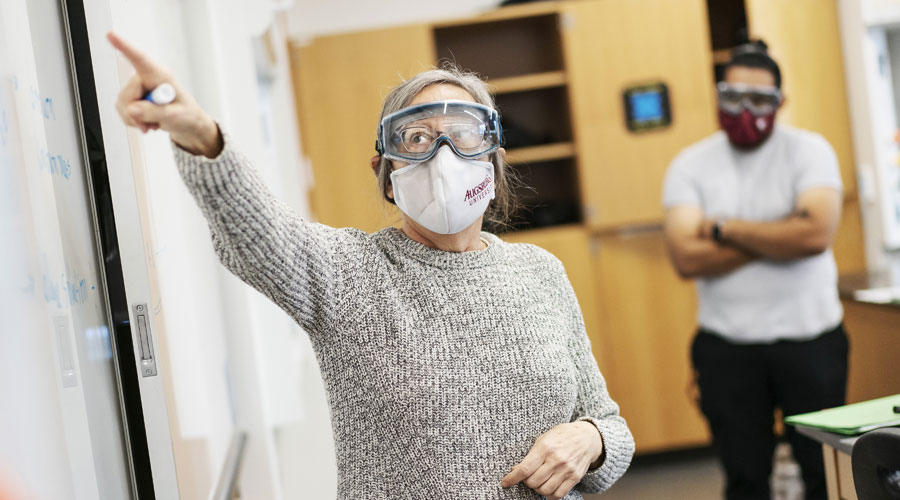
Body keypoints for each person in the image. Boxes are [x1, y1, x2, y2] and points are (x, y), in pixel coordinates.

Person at [107, 33, 633, 499]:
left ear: (493, 159)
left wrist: (590, 438)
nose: (443, 154)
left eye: (462, 132)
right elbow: (257, 229)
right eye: (418, 138)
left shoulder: (541, 272)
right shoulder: (350, 273)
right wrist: (200, 134)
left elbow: (611, 428)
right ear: (385, 173)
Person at [662, 41, 848, 500]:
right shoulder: (690, 164)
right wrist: (780, 234)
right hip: (728, 352)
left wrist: (724, 229)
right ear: (717, 95)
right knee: (745, 481)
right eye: (733, 97)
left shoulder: (810, 151)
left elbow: (816, 236)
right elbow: (686, 258)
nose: (745, 110)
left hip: (812, 344)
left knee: (825, 477)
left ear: (781, 102)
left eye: (760, 100)